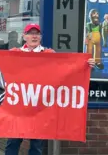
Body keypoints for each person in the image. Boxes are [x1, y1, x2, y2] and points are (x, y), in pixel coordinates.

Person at [5, 23, 97, 155]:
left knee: (36, 145)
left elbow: (66, 70)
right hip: (19, 107)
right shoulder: (14, 53)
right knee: (13, 142)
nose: (34, 36)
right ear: (24, 36)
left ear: (41, 37)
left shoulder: (49, 54)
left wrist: (86, 65)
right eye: (30, 33)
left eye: (37, 33)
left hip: (40, 108)